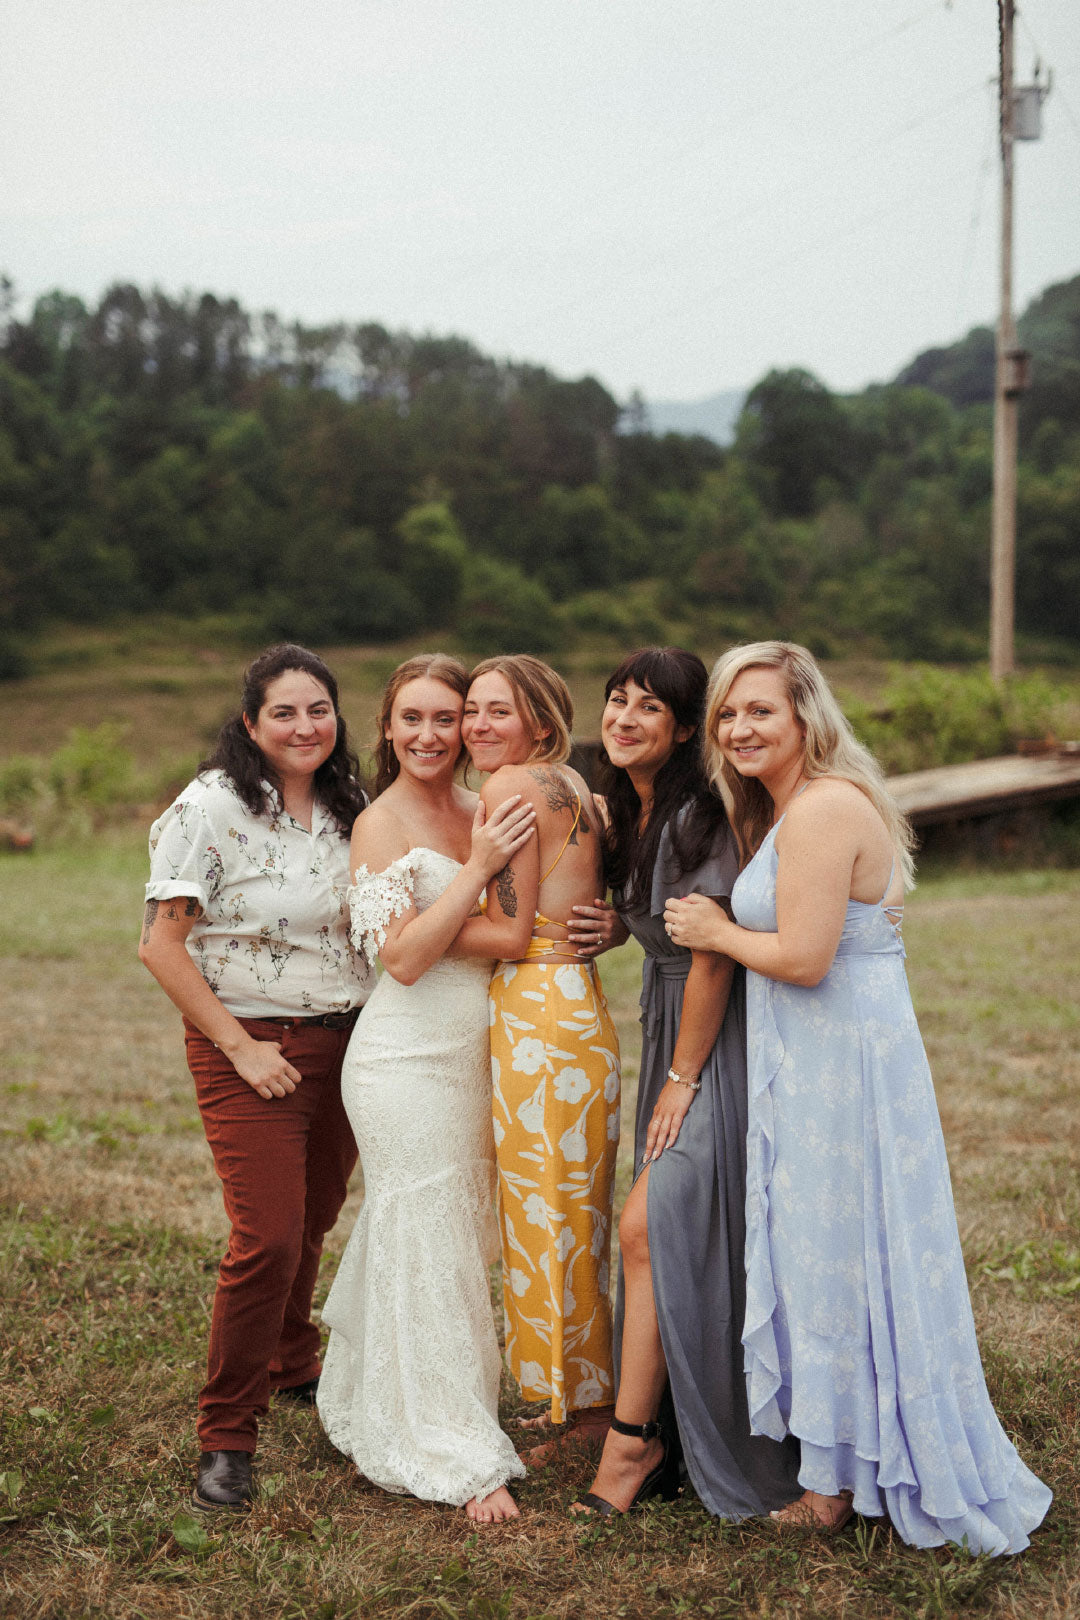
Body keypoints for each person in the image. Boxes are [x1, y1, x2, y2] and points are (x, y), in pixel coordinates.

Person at [664, 640, 1052, 1553]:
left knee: (845, 1258)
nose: (739, 727)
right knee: (825, 1260)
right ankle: (844, 1468)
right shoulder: (792, 810)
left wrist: (716, 927)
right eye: (727, 713)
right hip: (820, 1064)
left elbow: (801, 959)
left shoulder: (827, 807)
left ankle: (843, 1483)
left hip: (847, 1075)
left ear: (807, 715)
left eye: (760, 709)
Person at [563, 648, 800, 1518]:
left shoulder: (700, 807)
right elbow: (665, 921)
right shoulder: (642, 802)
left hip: (713, 1033)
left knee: (649, 1223)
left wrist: (682, 1077)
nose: (623, 719)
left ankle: (635, 1446)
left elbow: (708, 954)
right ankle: (652, 1425)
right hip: (671, 1019)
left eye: (648, 709)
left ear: (686, 728)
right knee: (673, 1227)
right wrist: (618, 929)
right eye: (616, 701)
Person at [139, 644, 375, 1513]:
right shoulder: (211, 807)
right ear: (251, 723)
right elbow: (161, 944)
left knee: (311, 1219)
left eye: (319, 709)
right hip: (250, 1047)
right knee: (266, 1237)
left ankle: (292, 1362)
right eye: (284, 712)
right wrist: (240, 1047)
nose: (305, 726)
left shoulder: (355, 807)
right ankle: (226, 1436)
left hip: (348, 1042)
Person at [315, 654, 534, 1524]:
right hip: (403, 1060)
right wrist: (478, 872)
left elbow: (519, 933)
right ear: (388, 727)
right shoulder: (381, 823)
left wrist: (592, 927)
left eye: (449, 718)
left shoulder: (490, 808)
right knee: (426, 1225)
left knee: (452, 1233)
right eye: (414, 719)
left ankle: (397, 1389)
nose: (432, 735)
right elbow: (401, 959)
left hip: (478, 1052)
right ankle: (456, 1445)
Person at [456, 655, 621, 1462]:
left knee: (543, 1212)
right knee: (572, 1212)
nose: (477, 726)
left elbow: (508, 931)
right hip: (580, 1008)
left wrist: (404, 928)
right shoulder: (581, 789)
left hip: (536, 1012)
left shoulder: (509, 789)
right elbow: (589, 904)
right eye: (472, 711)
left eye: (498, 712)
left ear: (542, 724)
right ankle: (575, 1397)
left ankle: (578, 1410)